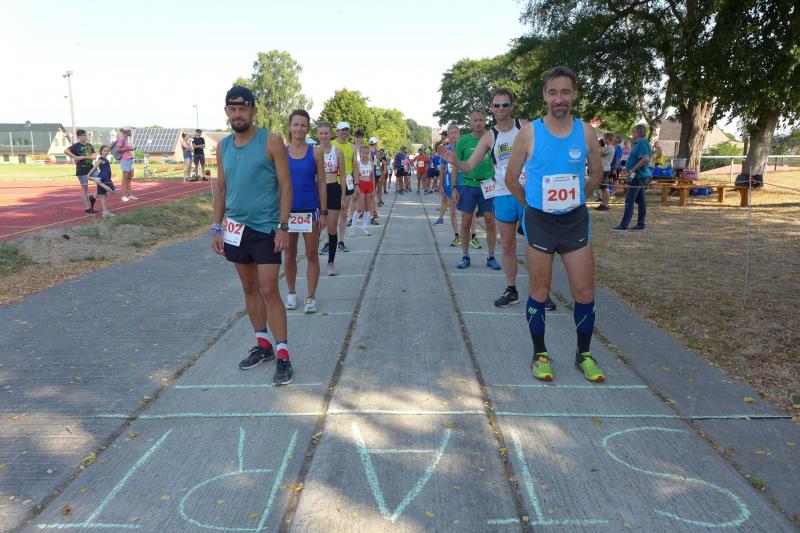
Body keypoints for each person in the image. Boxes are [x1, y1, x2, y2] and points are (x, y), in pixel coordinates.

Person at [503, 66, 605, 383]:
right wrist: (532, 206)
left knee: (584, 292)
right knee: (539, 290)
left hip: (574, 221)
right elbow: (511, 178)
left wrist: (578, 197)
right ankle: (540, 354)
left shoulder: (585, 132)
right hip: (540, 221)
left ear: (574, 95)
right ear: (545, 96)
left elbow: (597, 174)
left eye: (565, 92)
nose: (559, 99)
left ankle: (584, 354)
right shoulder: (529, 133)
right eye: (553, 93)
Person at [210, 86, 294, 386]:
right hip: (235, 229)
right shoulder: (223, 146)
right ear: (226, 112)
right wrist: (216, 227)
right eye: (232, 109)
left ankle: (283, 354)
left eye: (243, 109)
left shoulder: (271, 141)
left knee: (269, 288)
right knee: (249, 286)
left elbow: (286, 185)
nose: (237, 115)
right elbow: (221, 188)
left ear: (253, 111)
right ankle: (263, 344)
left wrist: (283, 226)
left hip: (266, 228)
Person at [283, 109, 327, 314]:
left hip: (310, 211)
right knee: (289, 253)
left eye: (303, 125)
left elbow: (322, 184)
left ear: (308, 128)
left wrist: (323, 211)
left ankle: (311, 297)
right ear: (290, 127)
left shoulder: (316, 152)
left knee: (311, 254)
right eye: (296, 124)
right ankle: (291, 293)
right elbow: (277, 184)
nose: (299, 128)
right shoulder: (282, 152)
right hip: (288, 212)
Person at [445, 110, 500, 270]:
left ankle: (491, 256)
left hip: (488, 185)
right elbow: (455, 166)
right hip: (468, 185)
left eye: (481, 120)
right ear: (470, 123)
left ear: (485, 121)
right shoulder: (464, 141)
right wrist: (454, 188)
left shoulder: (492, 138)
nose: (478, 123)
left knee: (490, 220)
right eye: (475, 120)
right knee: (466, 220)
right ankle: (465, 255)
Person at [316, 121, 345, 276]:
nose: (324, 136)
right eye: (321, 133)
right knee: (315, 229)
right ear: (317, 135)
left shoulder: (338, 152)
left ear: (331, 134)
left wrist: (344, 196)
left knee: (332, 228)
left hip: (333, 189)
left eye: (326, 133)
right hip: (317, 191)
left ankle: (331, 262)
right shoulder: (313, 151)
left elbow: (343, 175)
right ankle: (313, 262)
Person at [610, 124, 652, 231]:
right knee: (641, 201)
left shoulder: (642, 143)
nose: (632, 133)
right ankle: (641, 224)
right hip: (638, 176)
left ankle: (624, 225)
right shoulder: (639, 143)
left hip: (639, 176)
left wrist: (633, 169)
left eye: (633, 132)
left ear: (638, 133)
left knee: (629, 200)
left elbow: (645, 159)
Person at [331, 122, 355, 252]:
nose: (344, 132)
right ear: (337, 131)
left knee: (344, 212)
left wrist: (357, 184)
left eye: (346, 130)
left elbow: (355, 167)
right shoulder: (331, 144)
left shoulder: (352, 147)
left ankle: (341, 240)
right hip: (333, 181)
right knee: (331, 213)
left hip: (348, 181)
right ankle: (329, 242)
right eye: (342, 130)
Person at [64, 129, 98, 213]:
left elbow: (94, 156)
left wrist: (82, 157)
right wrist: (75, 157)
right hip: (82, 170)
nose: (84, 137)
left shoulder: (89, 145)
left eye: (85, 135)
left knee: (102, 181)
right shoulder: (76, 146)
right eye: (82, 135)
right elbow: (66, 151)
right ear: (78, 137)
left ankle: (93, 197)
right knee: (84, 187)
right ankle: (88, 208)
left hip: (91, 169)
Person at [349, 144, 375, 236]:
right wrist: (356, 187)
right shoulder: (358, 163)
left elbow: (372, 177)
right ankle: (352, 228)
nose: (365, 155)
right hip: (361, 185)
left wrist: (373, 190)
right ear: (360, 153)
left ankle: (364, 228)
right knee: (359, 208)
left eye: (367, 153)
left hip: (369, 185)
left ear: (369, 153)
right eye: (363, 153)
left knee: (367, 208)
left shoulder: (371, 163)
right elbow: (355, 176)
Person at [86, 144, 116, 217]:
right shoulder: (101, 158)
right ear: (101, 151)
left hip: (104, 177)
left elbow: (103, 168)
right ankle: (99, 183)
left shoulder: (105, 159)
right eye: (104, 151)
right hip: (104, 178)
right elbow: (95, 167)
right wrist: (88, 175)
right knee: (112, 191)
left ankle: (105, 212)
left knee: (103, 195)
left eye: (107, 151)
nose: (106, 152)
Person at [117, 126, 137, 201]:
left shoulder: (126, 139)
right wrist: (129, 148)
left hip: (129, 160)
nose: (130, 132)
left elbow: (125, 149)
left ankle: (129, 195)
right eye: (129, 131)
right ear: (125, 131)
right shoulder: (121, 139)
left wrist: (130, 149)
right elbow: (118, 149)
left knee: (129, 178)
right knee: (125, 178)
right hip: (125, 160)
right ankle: (123, 196)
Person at [597, 132, 615, 210]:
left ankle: (606, 204)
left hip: (605, 169)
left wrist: (598, 145)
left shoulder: (610, 147)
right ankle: (603, 203)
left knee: (605, 188)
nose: (603, 139)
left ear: (608, 139)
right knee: (603, 188)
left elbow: (600, 153)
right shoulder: (608, 147)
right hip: (603, 169)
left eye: (604, 138)